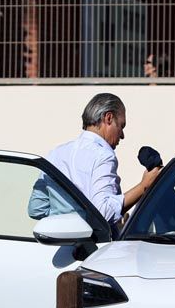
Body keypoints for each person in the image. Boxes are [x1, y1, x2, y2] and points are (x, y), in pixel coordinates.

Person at [28, 93, 161, 229]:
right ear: (108, 118)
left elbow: (36, 208)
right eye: (121, 126)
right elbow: (104, 213)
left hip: (58, 248)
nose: (122, 135)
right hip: (93, 248)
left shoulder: (56, 153)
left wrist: (67, 218)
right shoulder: (103, 155)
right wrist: (144, 186)